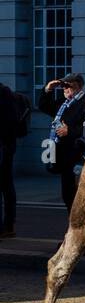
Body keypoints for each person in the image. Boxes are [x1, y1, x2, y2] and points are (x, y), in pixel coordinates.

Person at [38, 73, 85, 210]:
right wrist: (48, 89)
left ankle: (77, 225)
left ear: (78, 85)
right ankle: (72, 222)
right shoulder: (63, 103)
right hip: (62, 152)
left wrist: (70, 131)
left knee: (74, 193)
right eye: (63, 85)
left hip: (77, 154)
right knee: (67, 193)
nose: (64, 88)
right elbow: (43, 106)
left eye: (68, 85)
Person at [0, 81, 26, 238]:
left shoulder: (2, 94)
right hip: (7, 147)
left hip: (3, 147)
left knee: (5, 186)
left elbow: (5, 124)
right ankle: (9, 225)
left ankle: (7, 226)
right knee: (7, 186)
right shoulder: (6, 92)